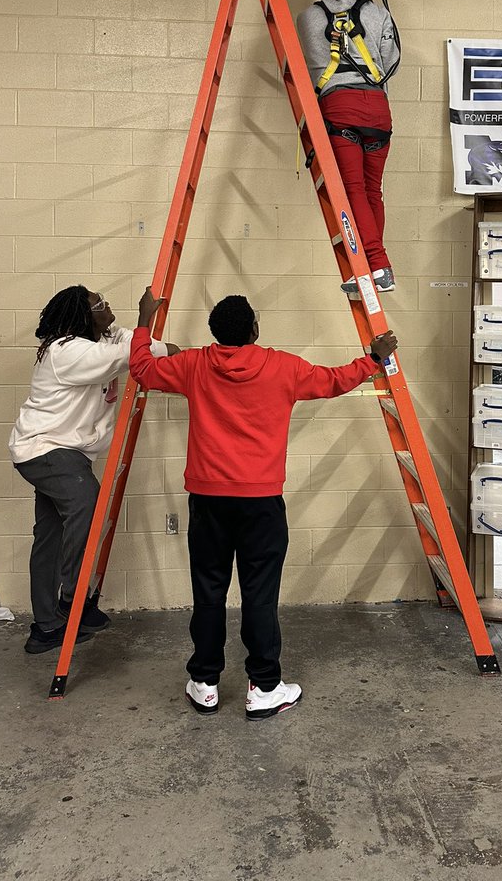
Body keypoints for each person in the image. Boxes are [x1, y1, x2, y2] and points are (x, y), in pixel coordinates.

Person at [130, 287, 398, 721]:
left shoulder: (194, 364)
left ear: (215, 332)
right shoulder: (282, 367)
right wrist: (374, 357)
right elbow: (334, 380)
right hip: (260, 502)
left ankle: (204, 683)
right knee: (260, 595)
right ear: (255, 329)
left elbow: (142, 368)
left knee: (209, 591)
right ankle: (265, 687)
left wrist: (144, 320)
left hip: (208, 499)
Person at [9, 286, 177, 655]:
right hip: (47, 450)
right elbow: (129, 353)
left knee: (50, 536)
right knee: (87, 505)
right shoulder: (67, 350)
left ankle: (46, 627)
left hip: (64, 453)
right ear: (84, 317)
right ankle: (73, 598)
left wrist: (173, 350)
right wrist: (146, 317)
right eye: (99, 305)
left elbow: (134, 343)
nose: (107, 307)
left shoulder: (99, 339)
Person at [296, 0, 400, 295]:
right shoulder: (379, 14)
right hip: (378, 111)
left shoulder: (309, 16)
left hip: (340, 107)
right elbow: (390, 63)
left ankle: (377, 265)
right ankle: (375, 267)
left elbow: (311, 61)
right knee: (372, 192)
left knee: (353, 190)